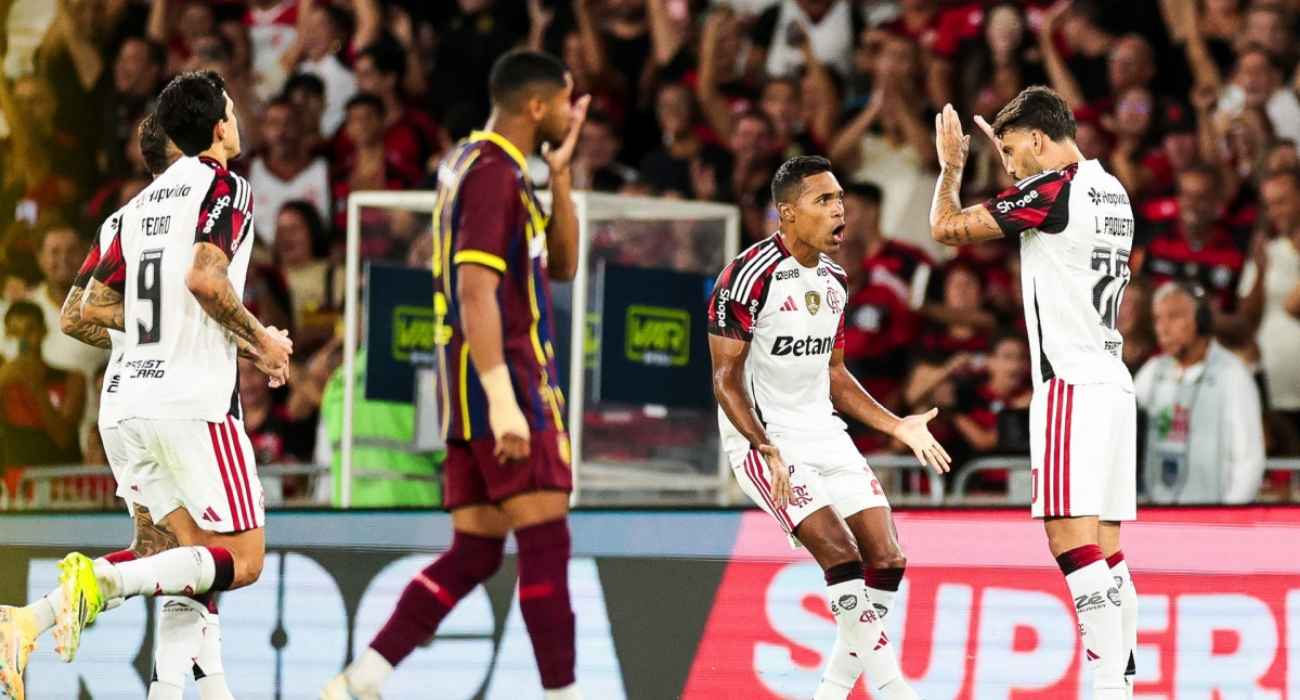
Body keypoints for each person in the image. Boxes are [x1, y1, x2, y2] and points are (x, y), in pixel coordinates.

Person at [322, 49, 588, 700]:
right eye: (563, 100)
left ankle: (364, 677)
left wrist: (560, 178)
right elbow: (475, 292)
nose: (569, 112)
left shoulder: (479, 165)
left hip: (468, 387)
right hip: (507, 379)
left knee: (475, 553)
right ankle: (564, 694)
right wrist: (503, 400)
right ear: (535, 106)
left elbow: (562, 268)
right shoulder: (493, 173)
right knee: (546, 542)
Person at [43, 71, 292, 691]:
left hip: (128, 401)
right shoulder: (226, 186)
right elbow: (206, 282)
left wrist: (149, 334)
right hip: (195, 402)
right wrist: (261, 341)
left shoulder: (131, 211)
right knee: (241, 560)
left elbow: (79, 313)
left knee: (191, 565)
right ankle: (103, 580)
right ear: (219, 127)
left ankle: (175, 689)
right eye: (231, 110)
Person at [708, 156, 950, 700]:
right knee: (840, 555)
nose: (840, 210)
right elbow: (725, 379)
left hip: (823, 429)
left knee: (887, 559)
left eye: (840, 198)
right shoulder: (746, 278)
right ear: (787, 214)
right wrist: (762, 446)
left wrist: (897, 427)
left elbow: (835, 373)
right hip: (763, 438)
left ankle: (831, 693)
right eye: (825, 201)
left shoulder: (837, 280)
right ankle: (893, 688)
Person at [929, 86, 1139, 697]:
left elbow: (946, 228)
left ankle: (1106, 686)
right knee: (1107, 550)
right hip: (1112, 384)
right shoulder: (1112, 190)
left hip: (1070, 385)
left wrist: (951, 170)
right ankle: (1122, 678)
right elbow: (1044, 203)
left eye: (1017, 149)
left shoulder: (1052, 192)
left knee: (1068, 540)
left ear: (1041, 140)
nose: (1012, 161)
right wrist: (1012, 165)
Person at [1136, 283, 1265, 503]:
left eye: (1174, 317)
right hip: (1156, 514)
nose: (1162, 328)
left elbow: (1249, 459)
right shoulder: (1153, 371)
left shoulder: (1232, 374)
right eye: (1157, 318)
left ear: (1202, 321)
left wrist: (1228, 517)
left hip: (1209, 517)